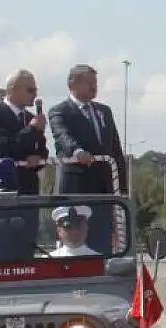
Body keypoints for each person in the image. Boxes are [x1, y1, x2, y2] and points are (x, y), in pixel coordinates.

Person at [48, 64, 128, 254]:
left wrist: (121, 188)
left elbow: (115, 150)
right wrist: (77, 151)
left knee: (102, 245)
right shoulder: (60, 111)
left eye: (96, 83)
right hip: (76, 190)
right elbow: (62, 136)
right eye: (90, 83)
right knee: (75, 246)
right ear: (73, 83)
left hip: (103, 191)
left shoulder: (104, 112)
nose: (94, 87)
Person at [0, 69, 49, 260]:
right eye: (30, 90)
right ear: (13, 89)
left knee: (26, 245)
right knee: (2, 246)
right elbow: (1, 147)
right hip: (1, 191)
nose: (35, 95)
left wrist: (36, 159)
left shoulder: (29, 117)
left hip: (28, 190)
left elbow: (43, 150)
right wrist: (32, 129)